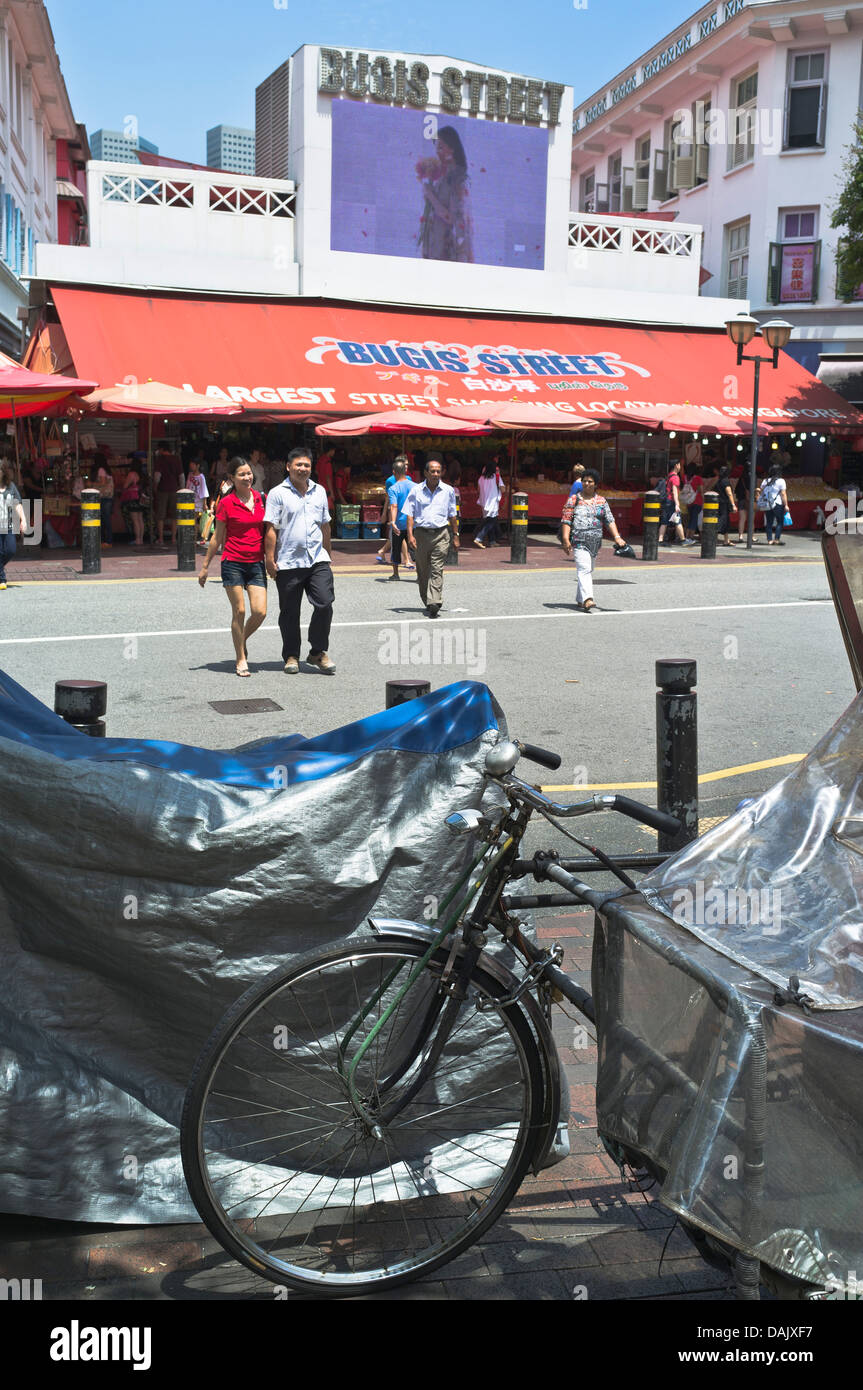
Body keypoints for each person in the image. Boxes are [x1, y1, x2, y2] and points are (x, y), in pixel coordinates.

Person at [264, 448, 336, 674]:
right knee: (290, 612)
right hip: (288, 561)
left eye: (306, 465)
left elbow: (325, 525)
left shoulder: (319, 491)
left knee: (324, 604)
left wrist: (328, 554)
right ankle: (291, 655)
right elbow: (271, 528)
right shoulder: (277, 494)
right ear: (288, 467)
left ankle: (317, 652)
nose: (303, 469)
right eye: (298, 465)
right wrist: (269, 559)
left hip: (317, 559)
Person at [198, 457, 267, 678]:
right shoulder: (227, 503)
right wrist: (205, 567)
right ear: (232, 478)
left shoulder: (261, 499)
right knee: (240, 611)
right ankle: (240, 658)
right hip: (233, 562)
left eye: (249, 473)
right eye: (242, 474)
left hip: (256, 562)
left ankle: (241, 639)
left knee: (260, 612)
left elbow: (270, 531)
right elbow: (217, 537)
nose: (247, 477)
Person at [559, 469, 626, 612]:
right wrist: (565, 539)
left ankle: (580, 599)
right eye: (584, 481)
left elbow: (609, 520)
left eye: (590, 481)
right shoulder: (574, 499)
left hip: (595, 543)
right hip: (579, 540)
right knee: (584, 569)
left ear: (595, 484)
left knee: (588, 569)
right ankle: (588, 599)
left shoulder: (601, 501)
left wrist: (617, 537)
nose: (587, 483)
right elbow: (566, 520)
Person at [404, 455, 458, 618]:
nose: (435, 474)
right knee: (423, 571)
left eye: (438, 471)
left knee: (436, 568)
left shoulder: (448, 491)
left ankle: (434, 601)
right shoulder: (416, 490)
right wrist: (410, 535)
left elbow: (452, 515)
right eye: (432, 471)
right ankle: (427, 600)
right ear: (426, 473)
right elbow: (410, 514)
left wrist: (456, 535)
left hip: (441, 534)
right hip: (421, 535)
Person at [417, 125, 473, 264]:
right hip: (435, 248)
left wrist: (430, 195)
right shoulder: (444, 176)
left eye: (441, 147)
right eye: (437, 147)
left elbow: (452, 218)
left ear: (452, 149)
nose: (437, 152)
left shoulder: (457, 179)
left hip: (446, 252)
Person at [386, 457, 415, 581]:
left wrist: (392, 522)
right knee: (416, 549)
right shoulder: (415, 486)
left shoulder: (393, 488)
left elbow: (394, 506)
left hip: (399, 523)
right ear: (406, 471)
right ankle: (421, 575)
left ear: (394, 472)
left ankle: (396, 574)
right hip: (413, 523)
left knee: (396, 549)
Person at [0, 459, 26, 589]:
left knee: (10, 550)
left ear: (3, 472)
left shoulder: (11, 486)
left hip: (8, 526)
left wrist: (23, 520)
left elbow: (17, 504)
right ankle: (2, 579)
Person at [154, 442, 184, 547]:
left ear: (162, 449)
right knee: (174, 515)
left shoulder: (160, 460)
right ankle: (174, 538)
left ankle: (161, 538)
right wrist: (182, 488)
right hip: (175, 489)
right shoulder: (176, 459)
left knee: (161, 515)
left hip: (162, 489)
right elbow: (181, 476)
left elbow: (157, 476)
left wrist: (155, 486)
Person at [660, 461, 697, 547]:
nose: (680, 467)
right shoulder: (675, 477)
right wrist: (677, 504)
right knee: (678, 521)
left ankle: (660, 540)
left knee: (664, 522)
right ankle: (683, 540)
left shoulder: (669, 476)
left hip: (666, 501)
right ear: (676, 465)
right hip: (672, 502)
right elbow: (675, 492)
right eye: (679, 465)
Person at [474, 459, 505, 548]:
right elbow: (503, 489)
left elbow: (478, 490)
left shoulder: (481, 478)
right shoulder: (496, 477)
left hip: (484, 503)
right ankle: (479, 538)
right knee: (491, 521)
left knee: (489, 520)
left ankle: (492, 541)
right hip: (492, 503)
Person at [757, 463, 789, 545]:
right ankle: (777, 539)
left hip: (767, 503)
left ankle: (769, 540)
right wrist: (786, 505)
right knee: (780, 522)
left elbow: (761, 491)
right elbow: (783, 494)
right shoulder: (781, 481)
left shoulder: (765, 481)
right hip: (777, 503)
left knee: (769, 522)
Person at [186, 458, 210, 543]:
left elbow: (204, 490)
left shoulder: (201, 477)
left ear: (198, 466)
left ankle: (194, 539)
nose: (191, 467)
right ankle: (192, 538)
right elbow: (187, 486)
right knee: (191, 520)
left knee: (194, 520)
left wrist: (204, 503)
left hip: (198, 501)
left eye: (193, 465)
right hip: (190, 500)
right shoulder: (190, 475)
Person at [714, 465, 738, 545]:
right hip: (724, 503)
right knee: (723, 520)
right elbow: (729, 493)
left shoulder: (719, 481)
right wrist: (733, 504)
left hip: (719, 503)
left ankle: (726, 540)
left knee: (726, 521)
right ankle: (714, 537)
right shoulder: (725, 481)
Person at [96, 466, 115, 548]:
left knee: (103, 520)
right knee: (107, 520)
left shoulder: (101, 469)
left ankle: (105, 541)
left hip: (103, 497)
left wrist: (91, 484)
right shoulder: (108, 472)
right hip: (109, 497)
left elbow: (102, 483)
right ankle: (108, 541)